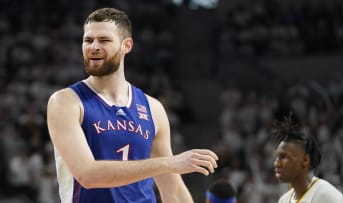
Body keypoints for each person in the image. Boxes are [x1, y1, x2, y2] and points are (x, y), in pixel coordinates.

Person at [46, 7, 218, 203]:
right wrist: (168, 163)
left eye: (104, 40)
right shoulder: (66, 102)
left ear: (126, 45)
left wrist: (168, 166)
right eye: (88, 40)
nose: (93, 46)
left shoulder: (153, 108)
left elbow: (173, 190)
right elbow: (88, 175)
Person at [272, 114, 343, 203]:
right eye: (277, 157)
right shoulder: (284, 200)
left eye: (284, 157)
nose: (276, 163)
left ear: (305, 160)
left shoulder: (326, 195)